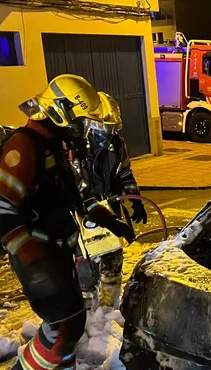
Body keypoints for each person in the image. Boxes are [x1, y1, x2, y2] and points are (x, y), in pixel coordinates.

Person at [0, 74, 135, 370]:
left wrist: (112, 223)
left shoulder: (54, 147)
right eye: (81, 121)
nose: (82, 130)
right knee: (64, 321)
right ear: (59, 112)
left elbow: (78, 199)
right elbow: (1, 212)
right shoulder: (24, 146)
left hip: (58, 251)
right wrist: (34, 261)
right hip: (38, 254)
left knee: (73, 318)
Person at [72, 93, 147, 307]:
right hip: (85, 216)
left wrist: (136, 200)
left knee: (113, 264)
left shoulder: (117, 144)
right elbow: (76, 187)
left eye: (112, 127)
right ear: (91, 124)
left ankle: (108, 310)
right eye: (105, 127)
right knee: (86, 270)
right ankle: (88, 315)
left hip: (111, 211)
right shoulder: (76, 150)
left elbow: (125, 173)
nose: (109, 132)